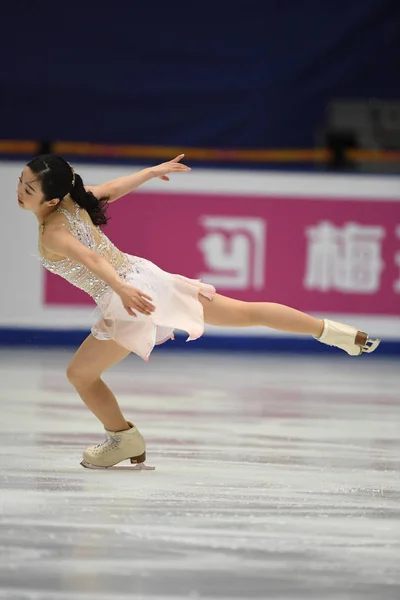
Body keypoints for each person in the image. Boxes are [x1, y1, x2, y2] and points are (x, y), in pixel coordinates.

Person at [17, 154, 380, 470]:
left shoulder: (54, 231)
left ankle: (123, 439)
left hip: (129, 297)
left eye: (29, 189)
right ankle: (337, 333)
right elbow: (113, 188)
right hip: (148, 277)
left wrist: (121, 288)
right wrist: (149, 172)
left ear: (51, 200)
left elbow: (92, 259)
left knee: (81, 375)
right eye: (22, 182)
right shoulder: (73, 201)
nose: (20, 191)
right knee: (246, 312)